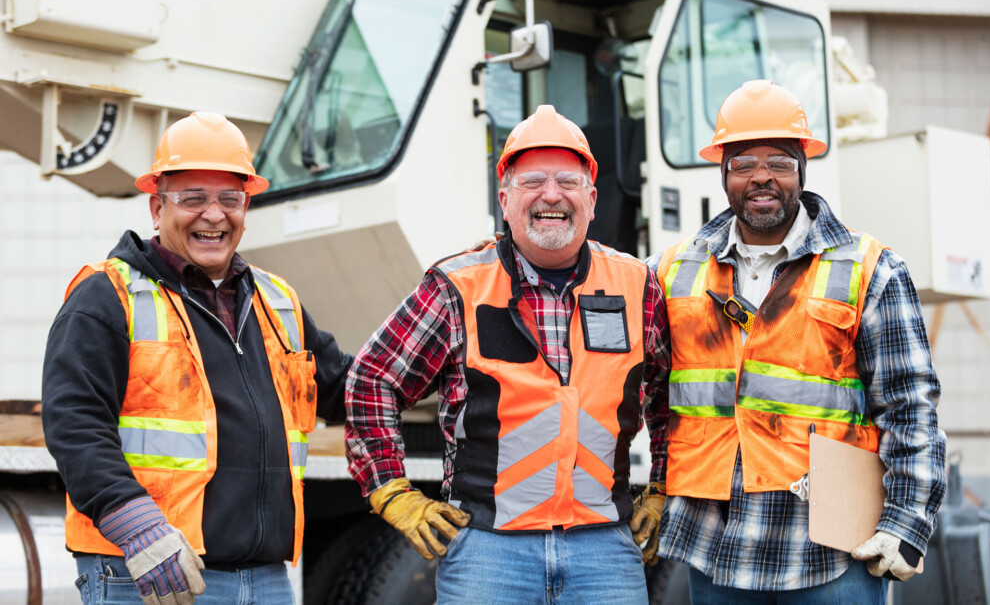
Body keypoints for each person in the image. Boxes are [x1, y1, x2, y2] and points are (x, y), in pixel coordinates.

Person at [345, 104, 671, 604]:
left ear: (592, 197)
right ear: (504, 199)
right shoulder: (457, 286)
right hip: (487, 552)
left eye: (567, 181)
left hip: (604, 550)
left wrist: (665, 483)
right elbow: (371, 380)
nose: (551, 195)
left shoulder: (637, 284)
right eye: (532, 181)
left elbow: (671, 389)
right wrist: (390, 490)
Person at [647, 80, 946, 603]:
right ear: (723, 172)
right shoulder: (673, 271)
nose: (762, 177)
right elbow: (638, 384)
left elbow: (910, 405)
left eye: (779, 162)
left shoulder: (869, 270)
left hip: (832, 549)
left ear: (802, 169)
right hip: (718, 549)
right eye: (744, 163)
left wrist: (907, 523)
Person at [42, 112, 353, 605]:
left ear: (246, 207)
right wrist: (136, 527)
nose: (214, 215)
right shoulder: (108, 296)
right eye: (193, 199)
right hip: (149, 571)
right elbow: (74, 424)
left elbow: (345, 389)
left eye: (230, 199)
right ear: (155, 206)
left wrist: (442, 350)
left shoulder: (277, 301)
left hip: (266, 578)